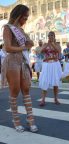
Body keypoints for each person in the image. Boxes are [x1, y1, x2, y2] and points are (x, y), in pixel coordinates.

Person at [2, 4, 38, 132]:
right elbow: (7, 48)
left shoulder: (21, 31)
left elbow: (30, 43)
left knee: (26, 89)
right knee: (15, 90)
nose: (26, 20)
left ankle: (30, 119)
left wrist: (29, 43)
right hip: (12, 61)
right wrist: (24, 47)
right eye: (25, 17)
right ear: (18, 16)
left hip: (23, 61)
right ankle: (16, 120)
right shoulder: (7, 28)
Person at [39, 31, 62, 106]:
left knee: (55, 82)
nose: (50, 37)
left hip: (55, 64)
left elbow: (59, 51)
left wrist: (52, 44)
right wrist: (47, 45)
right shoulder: (45, 44)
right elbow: (41, 51)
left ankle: (55, 99)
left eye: (52, 35)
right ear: (48, 37)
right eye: (49, 35)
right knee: (45, 81)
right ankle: (43, 100)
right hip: (47, 64)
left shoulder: (57, 44)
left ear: (54, 36)